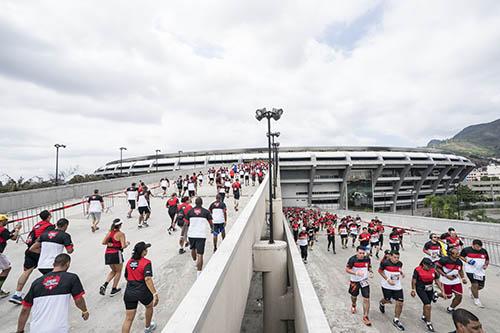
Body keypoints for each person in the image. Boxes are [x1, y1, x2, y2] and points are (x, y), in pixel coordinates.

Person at [16, 253, 89, 333]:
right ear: (67, 264)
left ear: (53, 264)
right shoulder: (71, 278)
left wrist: (19, 331)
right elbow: (78, 300)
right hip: (58, 329)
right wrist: (84, 311)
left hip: (36, 329)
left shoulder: (36, 282)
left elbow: (25, 309)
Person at [10, 210, 55, 305]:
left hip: (29, 251)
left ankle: (17, 294)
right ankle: (50, 293)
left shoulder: (37, 225)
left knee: (26, 272)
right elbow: (44, 238)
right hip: (38, 251)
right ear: (48, 216)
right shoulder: (49, 226)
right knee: (49, 271)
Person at [122, 242, 158, 333]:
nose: (147, 251)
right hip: (143, 292)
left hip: (129, 293)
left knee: (128, 318)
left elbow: (126, 276)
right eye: (146, 249)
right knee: (149, 306)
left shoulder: (129, 262)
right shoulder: (146, 262)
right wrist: (155, 293)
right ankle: (147, 327)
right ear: (143, 252)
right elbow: (147, 278)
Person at [411, 258, 443, 332]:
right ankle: (429, 323)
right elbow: (414, 280)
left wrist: (442, 290)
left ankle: (424, 316)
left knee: (427, 304)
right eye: (428, 266)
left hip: (430, 288)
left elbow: (437, 280)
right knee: (428, 305)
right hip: (420, 288)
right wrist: (413, 289)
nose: (429, 267)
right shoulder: (417, 270)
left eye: (431, 266)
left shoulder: (433, 270)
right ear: (423, 264)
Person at [100, 219, 129, 297]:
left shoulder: (110, 232)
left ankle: (105, 285)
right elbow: (123, 246)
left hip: (108, 253)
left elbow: (103, 242)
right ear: (120, 225)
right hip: (116, 253)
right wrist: (127, 244)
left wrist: (111, 244)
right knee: (118, 271)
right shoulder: (121, 234)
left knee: (113, 270)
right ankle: (114, 289)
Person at [378, 251, 406, 331]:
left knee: (400, 302)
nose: (396, 259)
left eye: (398, 258)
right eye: (394, 257)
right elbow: (380, 271)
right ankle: (382, 303)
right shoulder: (385, 263)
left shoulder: (400, 263)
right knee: (388, 300)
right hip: (386, 285)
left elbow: (399, 269)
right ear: (390, 256)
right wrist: (387, 279)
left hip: (397, 285)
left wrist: (401, 273)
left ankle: (396, 319)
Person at [186, 197, 213, 277]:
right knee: (200, 254)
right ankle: (199, 273)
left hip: (191, 234)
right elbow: (211, 223)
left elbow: (186, 224)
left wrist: (183, 236)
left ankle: (195, 261)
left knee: (193, 249)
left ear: (195, 203)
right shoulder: (206, 212)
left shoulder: (190, 212)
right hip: (201, 235)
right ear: (202, 203)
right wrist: (212, 229)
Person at [346, 246, 372, 326]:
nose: (361, 255)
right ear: (356, 252)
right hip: (354, 281)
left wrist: (371, 272)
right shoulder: (352, 259)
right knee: (354, 296)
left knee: (366, 298)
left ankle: (365, 316)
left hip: (364, 281)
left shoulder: (367, 259)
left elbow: (369, 266)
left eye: (363, 253)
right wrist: (356, 273)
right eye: (360, 253)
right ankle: (354, 304)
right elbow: (347, 269)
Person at [436, 246, 467, 313]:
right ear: (451, 254)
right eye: (456, 254)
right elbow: (437, 268)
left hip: (456, 280)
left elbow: (460, 270)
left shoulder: (459, 262)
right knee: (448, 296)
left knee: (459, 296)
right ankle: (437, 294)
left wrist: (463, 278)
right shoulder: (444, 260)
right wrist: (446, 276)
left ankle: (450, 308)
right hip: (445, 280)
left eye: (458, 253)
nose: (458, 254)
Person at [460, 240, 489, 308]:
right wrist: (467, 261)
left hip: (480, 271)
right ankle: (477, 300)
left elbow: (487, 259)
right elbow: (461, 256)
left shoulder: (484, 251)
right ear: (472, 245)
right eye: (477, 247)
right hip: (470, 270)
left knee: (481, 286)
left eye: (480, 247)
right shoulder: (466, 250)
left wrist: (486, 265)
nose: (479, 248)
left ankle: (471, 289)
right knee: (475, 284)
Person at [0, 214, 21, 298]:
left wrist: (14, 230)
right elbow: (13, 238)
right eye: (6, 220)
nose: (7, 221)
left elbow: (8, 236)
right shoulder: (2, 229)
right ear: (2, 221)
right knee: (6, 269)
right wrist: (17, 229)